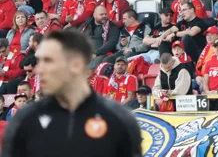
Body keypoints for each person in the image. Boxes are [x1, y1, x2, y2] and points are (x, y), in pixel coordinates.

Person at [1, 30, 141, 155]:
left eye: (48, 61)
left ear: (76, 65)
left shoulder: (119, 120)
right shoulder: (25, 120)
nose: (39, 70)